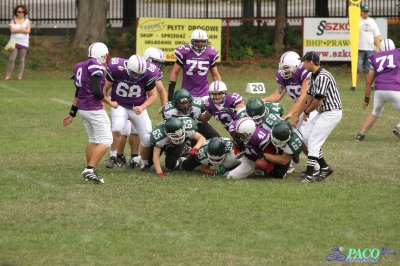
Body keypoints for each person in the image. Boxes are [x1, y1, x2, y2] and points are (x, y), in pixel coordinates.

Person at [62, 42, 118, 184]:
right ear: (101, 55)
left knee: (93, 139)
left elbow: (78, 91)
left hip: (83, 109)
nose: (107, 58)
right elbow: (96, 91)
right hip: (94, 108)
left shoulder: (80, 66)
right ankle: (90, 169)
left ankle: (90, 171)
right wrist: (110, 102)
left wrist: (72, 113)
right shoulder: (96, 66)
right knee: (106, 140)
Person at [293, 51, 342, 183]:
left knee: (313, 141)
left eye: (304, 62)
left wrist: (307, 112)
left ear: (310, 62)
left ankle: (309, 175)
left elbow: (317, 101)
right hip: (323, 112)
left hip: (331, 113)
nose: (303, 64)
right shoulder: (313, 75)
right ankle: (325, 167)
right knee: (304, 135)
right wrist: (298, 115)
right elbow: (308, 98)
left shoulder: (322, 76)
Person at [103, 54, 158, 171]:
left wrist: (142, 107)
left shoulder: (148, 73)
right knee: (117, 127)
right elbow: (104, 88)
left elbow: (153, 95)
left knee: (147, 136)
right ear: (128, 69)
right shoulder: (116, 69)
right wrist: (105, 104)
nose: (138, 76)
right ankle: (113, 157)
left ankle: (144, 163)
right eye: (135, 73)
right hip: (120, 104)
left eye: (140, 74)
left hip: (137, 107)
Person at [118, 47, 168, 168]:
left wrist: (164, 105)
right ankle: (118, 157)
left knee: (138, 132)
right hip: (123, 104)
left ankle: (134, 158)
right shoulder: (130, 68)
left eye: (159, 63)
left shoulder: (151, 74)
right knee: (123, 130)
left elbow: (161, 90)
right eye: (156, 62)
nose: (158, 66)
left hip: (139, 106)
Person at [355, 39, 400, 141]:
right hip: (394, 88)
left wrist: (366, 99)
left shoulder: (375, 58)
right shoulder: (397, 53)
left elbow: (368, 82)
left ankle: (360, 135)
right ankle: (399, 127)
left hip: (379, 90)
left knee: (375, 112)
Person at [168, 29, 221, 101]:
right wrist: (170, 94)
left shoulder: (210, 54)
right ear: (192, 41)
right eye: (197, 41)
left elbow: (215, 75)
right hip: (186, 93)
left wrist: (220, 90)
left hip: (204, 93)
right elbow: (175, 72)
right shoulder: (185, 53)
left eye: (202, 41)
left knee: (207, 111)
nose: (200, 44)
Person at [261, 51, 312, 126]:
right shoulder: (285, 77)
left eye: (286, 68)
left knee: (306, 135)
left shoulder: (303, 72)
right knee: (299, 133)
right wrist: (263, 100)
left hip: (314, 108)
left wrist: (290, 113)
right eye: (283, 67)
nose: (284, 70)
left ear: (295, 65)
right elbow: (277, 95)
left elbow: (303, 98)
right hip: (303, 109)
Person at [354, 4, 380, 92]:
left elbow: (376, 35)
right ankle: (354, 85)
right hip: (359, 48)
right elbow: (349, 23)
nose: (365, 13)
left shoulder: (372, 21)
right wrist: (353, 11)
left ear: (369, 12)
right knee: (357, 68)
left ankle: (370, 85)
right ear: (361, 12)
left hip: (370, 49)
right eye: (364, 11)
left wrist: (377, 47)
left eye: (367, 11)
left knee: (368, 69)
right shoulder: (357, 19)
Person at [3, 5, 31, 81]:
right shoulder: (13, 20)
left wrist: (17, 29)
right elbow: (12, 31)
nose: (21, 13)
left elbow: (28, 31)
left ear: (25, 12)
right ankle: (8, 76)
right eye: (19, 11)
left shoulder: (27, 21)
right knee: (12, 59)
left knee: (22, 59)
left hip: (24, 42)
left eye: (22, 12)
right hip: (14, 42)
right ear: (16, 12)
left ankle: (19, 76)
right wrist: (22, 29)